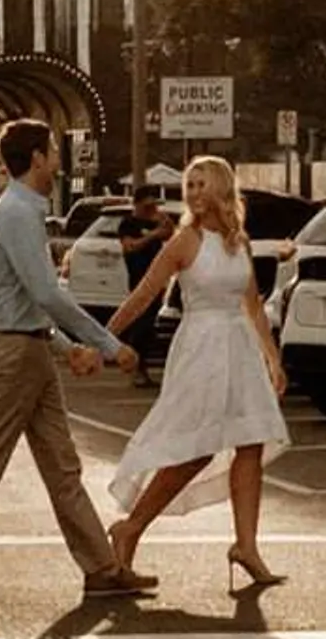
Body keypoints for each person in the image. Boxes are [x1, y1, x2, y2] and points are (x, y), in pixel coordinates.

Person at [0, 120, 154, 609]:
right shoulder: (18, 213)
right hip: (16, 354)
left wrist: (67, 349)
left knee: (62, 465)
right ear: (37, 158)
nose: (58, 160)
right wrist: (109, 345)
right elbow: (46, 294)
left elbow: (27, 302)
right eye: (52, 151)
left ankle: (101, 568)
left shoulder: (22, 211)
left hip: (31, 349)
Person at [98, 153, 296, 590]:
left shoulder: (238, 241)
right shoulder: (183, 241)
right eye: (190, 185)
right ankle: (131, 527)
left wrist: (272, 358)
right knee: (196, 448)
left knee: (250, 445)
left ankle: (247, 547)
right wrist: (103, 340)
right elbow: (144, 295)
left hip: (239, 348)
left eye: (202, 184)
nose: (194, 193)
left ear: (224, 190)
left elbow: (253, 306)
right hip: (200, 349)